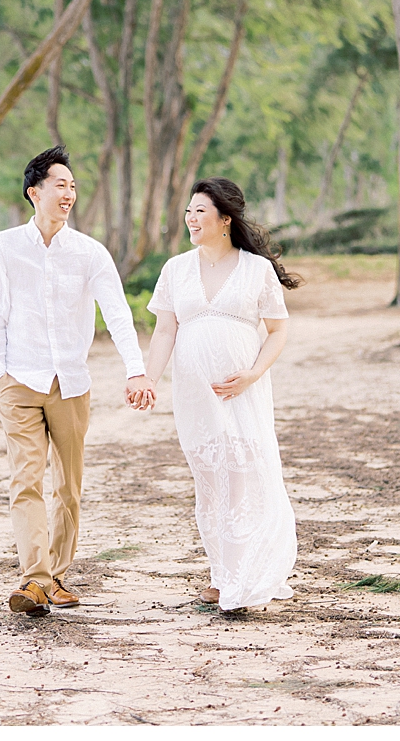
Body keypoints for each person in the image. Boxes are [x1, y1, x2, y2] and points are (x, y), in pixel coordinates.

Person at [0, 146, 152, 616]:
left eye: (74, 186)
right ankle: (34, 580)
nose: (69, 193)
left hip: (71, 384)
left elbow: (117, 314)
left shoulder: (89, 253)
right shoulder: (4, 246)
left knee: (68, 487)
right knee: (26, 481)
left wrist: (135, 368)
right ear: (34, 191)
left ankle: (55, 574)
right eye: (61, 184)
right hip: (19, 378)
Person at [130, 177, 302, 611]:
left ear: (225, 219)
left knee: (243, 474)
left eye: (200, 211)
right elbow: (165, 329)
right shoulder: (175, 269)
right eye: (188, 211)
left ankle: (242, 580)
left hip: (242, 391)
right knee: (209, 483)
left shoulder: (255, 270)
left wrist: (253, 374)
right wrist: (148, 377)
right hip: (193, 396)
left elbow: (279, 331)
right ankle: (221, 574)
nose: (191, 218)